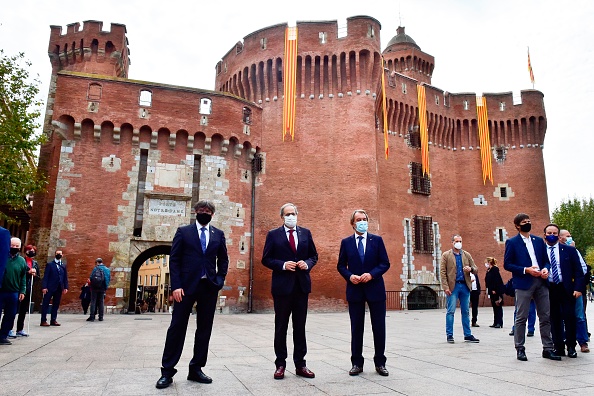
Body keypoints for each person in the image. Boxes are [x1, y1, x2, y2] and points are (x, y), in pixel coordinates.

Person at [156, 200, 228, 389]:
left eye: (208, 211)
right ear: (195, 212)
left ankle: (196, 368)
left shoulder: (218, 234)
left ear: (212, 214)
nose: (205, 213)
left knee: (204, 329)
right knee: (177, 327)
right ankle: (167, 371)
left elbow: (224, 259)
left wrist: (219, 280)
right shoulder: (183, 232)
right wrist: (176, 286)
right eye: (201, 210)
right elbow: (175, 259)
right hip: (185, 288)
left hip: (209, 287)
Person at [262, 203, 318, 380]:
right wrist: (283, 265)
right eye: (287, 214)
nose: (291, 216)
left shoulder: (305, 233)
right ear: (282, 217)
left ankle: (301, 364)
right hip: (282, 287)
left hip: (301, 286)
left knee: (299, 327)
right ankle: (280, 364)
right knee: (281, 326)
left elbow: (314, 256)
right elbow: (266, 259)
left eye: (293, 213)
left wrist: (307, 264)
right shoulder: (273, 235)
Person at [337, 209, 390, 377]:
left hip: (375, 289)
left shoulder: (377, 240)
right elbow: (340, 265)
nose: (362, 221)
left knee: (379, 327)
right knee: (356, 328)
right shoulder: (346, 243)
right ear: (353, 224)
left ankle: (380, 363)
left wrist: (372, 274)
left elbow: (385, 263)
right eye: (358, 219)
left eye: (364, 219)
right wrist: (349, 276)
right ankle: (356, 363)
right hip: (355, 289)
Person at [503, 213, 560, 361]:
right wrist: (526, 269)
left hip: (541, 282)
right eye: (524, 222)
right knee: (521, 317)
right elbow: (507, 264)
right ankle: (520, 348)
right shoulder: (512, 242)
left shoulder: (539, 241)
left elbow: (546, 261)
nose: (527, 223)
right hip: (523, 282)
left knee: (545, 316)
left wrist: (546, 269)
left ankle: (548, 348)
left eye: (529, 221)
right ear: (517, 226)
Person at [543, 223, 584, 358]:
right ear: (545, 235)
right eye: (549, 233)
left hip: (566, 288)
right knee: (554, 319)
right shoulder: (541, 251)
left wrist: (578, 288)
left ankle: (571, 346)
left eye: (555, 233)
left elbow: (578, 271)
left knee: (569, 317)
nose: (552, 235)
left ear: (558, 235)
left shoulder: (569, 251)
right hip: (550, 288)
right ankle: (558, 347)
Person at [440, 234, 480, 344]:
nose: (459, 243)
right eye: (456, 241)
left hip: (465, 285)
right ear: (452, 242)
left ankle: (467, 334)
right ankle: (449, 335)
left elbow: (476, 269)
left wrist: (470, 269)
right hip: (453, 286)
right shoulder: (446, 255)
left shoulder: (466, 255)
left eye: (460, 241)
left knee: (466, 311)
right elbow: (443, 272)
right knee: (451, 311)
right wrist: (445, 287)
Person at [559, 229, 590, 353]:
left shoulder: (574, 251)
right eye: (567, 236)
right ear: (560, 238)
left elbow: (583, 269)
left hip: (574, 286)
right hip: (561, 288)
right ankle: (562, 341)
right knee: (561, 316)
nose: (570, 238)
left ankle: (583, 341)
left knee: (579, 316)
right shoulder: (555, 251)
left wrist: (577, 284)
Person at [0, 238, 28, 345]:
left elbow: (23, 277)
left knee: (10, 315)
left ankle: (3, 336)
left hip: (14, 292)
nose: (14, 248)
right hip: (1, 290)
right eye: (13, 245)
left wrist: (22, 291)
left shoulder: (21, 261)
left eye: (17, 246)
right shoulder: (2, 256)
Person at [11, 244, 40, 337]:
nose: (31, 251)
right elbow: (19, 273)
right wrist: (28, 273)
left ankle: (20, 329)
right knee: (14, 309)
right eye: (29, 250)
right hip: (19, 287)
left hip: (28, 288)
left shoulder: (35, 263)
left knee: (23, 310)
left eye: (33, 250)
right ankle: (9, 328)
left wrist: (34, 275)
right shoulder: (21, 261)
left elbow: (38, 277)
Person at [40, 249, 69, 327]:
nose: (59, 255)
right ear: (55, 255)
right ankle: (43, 320)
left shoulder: (63, 265)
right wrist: (44, 286)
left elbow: (65, 277)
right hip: (49, 287)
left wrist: (65, 287)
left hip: (59, 287)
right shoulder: (50, 265)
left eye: (60, 254)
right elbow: (46, 276)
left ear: (62, 255)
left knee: (56, 304)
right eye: (57, 253)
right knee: (45, 303)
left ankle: (53, 319)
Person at [87, 258, 111, 322]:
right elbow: (108, 279)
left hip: (94, 287)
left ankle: (92, 317)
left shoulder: (95, 268)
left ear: (97, 262)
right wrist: (105, 287)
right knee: (101, 302)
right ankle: (101, 317)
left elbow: (91, 277)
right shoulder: (107, 269)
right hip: (102, 288)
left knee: (93, 302)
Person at [484, 257, 504, 328]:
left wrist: (494, 289)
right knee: (494, 306)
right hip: (491, 290)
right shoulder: (489, 270)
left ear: (489, 262)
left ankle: (499, 322)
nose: (485, 263)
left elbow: (496, 280)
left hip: (495, 291)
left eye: (486, 262)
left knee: (498, 305)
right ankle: (495, 322)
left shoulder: (495, 269)